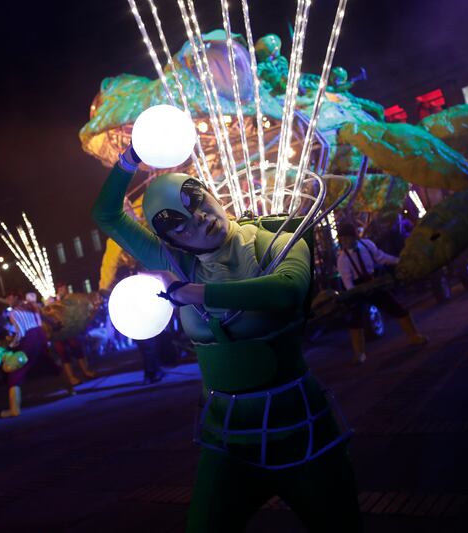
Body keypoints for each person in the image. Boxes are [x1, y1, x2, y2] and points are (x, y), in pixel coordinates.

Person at [93, 144, 362, 531]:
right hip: (227, 435)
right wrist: (132, 156)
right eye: (181, 224)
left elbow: (286, 290)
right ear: (173, 238)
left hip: (300, 426)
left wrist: (191, 294)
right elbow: (106, 213)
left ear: (211, 193)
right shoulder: (176, 262)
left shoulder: (275, 237)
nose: (200, 220)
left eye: (199, 202)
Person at [336, 222, 428, 365]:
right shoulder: (342, 258)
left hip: (373, 283)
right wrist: (354, 296)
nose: (345, 242)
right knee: (355, 319)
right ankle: (360, 354)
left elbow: (380, 257)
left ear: (354, 237)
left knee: (397, 308)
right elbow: (347, 281)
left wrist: (398, 261)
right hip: (357, 288)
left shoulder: (366, 244)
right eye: (342, 240)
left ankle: (414, 336)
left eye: (347, 239)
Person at [0, 291, 58, 417]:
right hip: (40, 336)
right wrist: (54, 324)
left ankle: (14, 410)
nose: (8, 301)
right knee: (50, 363)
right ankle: (71, 389)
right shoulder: (32, 306)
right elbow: (43, 318)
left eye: (10, 297)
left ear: (15, 296)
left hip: (30, 340)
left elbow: (20, 332)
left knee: (15, 373)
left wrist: (11, 345)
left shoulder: (13, 313)